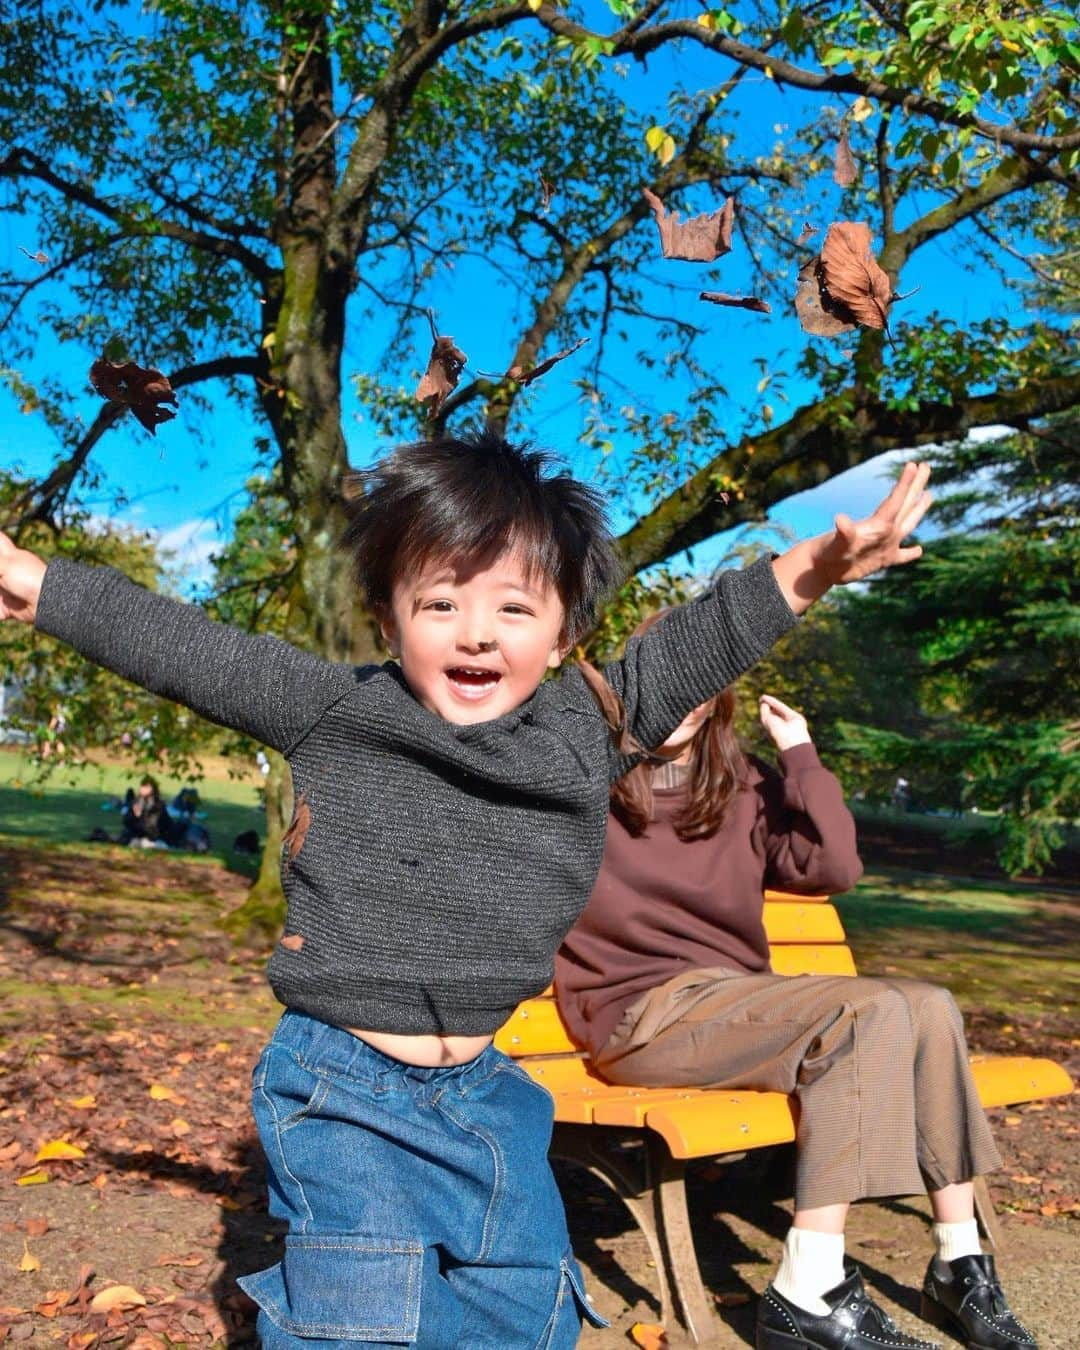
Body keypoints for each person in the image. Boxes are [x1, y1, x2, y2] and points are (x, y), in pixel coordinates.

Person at [0, 435, 931, 1348]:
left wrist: (813, 565)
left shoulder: (585, 729)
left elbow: (698, 642)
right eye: (440, 602)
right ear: (388, 615)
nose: (476, 631)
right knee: (363, 1312)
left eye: (514, 609)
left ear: (565, 628)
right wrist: (35, 583)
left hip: (488, 1096)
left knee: (525, 1307)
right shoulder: (339, 711)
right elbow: (184, 647)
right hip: (343, 1091)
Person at [556, 663, 1035, 1350]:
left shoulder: (743, 784)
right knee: (866, 1015)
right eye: (665, 678)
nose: (683, 699)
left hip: (736, 1007)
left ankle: (961, 1262)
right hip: (643, 1019)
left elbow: (833, 868)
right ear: (628, 689)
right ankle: (807, 1290)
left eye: (699, 680)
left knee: (929, 1005)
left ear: (720, 696)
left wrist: (800, 754)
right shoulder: (581, 781)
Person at [119, 775, 173, 848]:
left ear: (152, 789)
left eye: (146, 787)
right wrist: (134, 816)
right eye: (142, 786)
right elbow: (126, 822)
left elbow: (153, 827)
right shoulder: (136, 802)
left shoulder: (158, 806)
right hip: (135, 836)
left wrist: (139, 816)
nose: (143, 788)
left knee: (143, 843)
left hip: (153, 839)